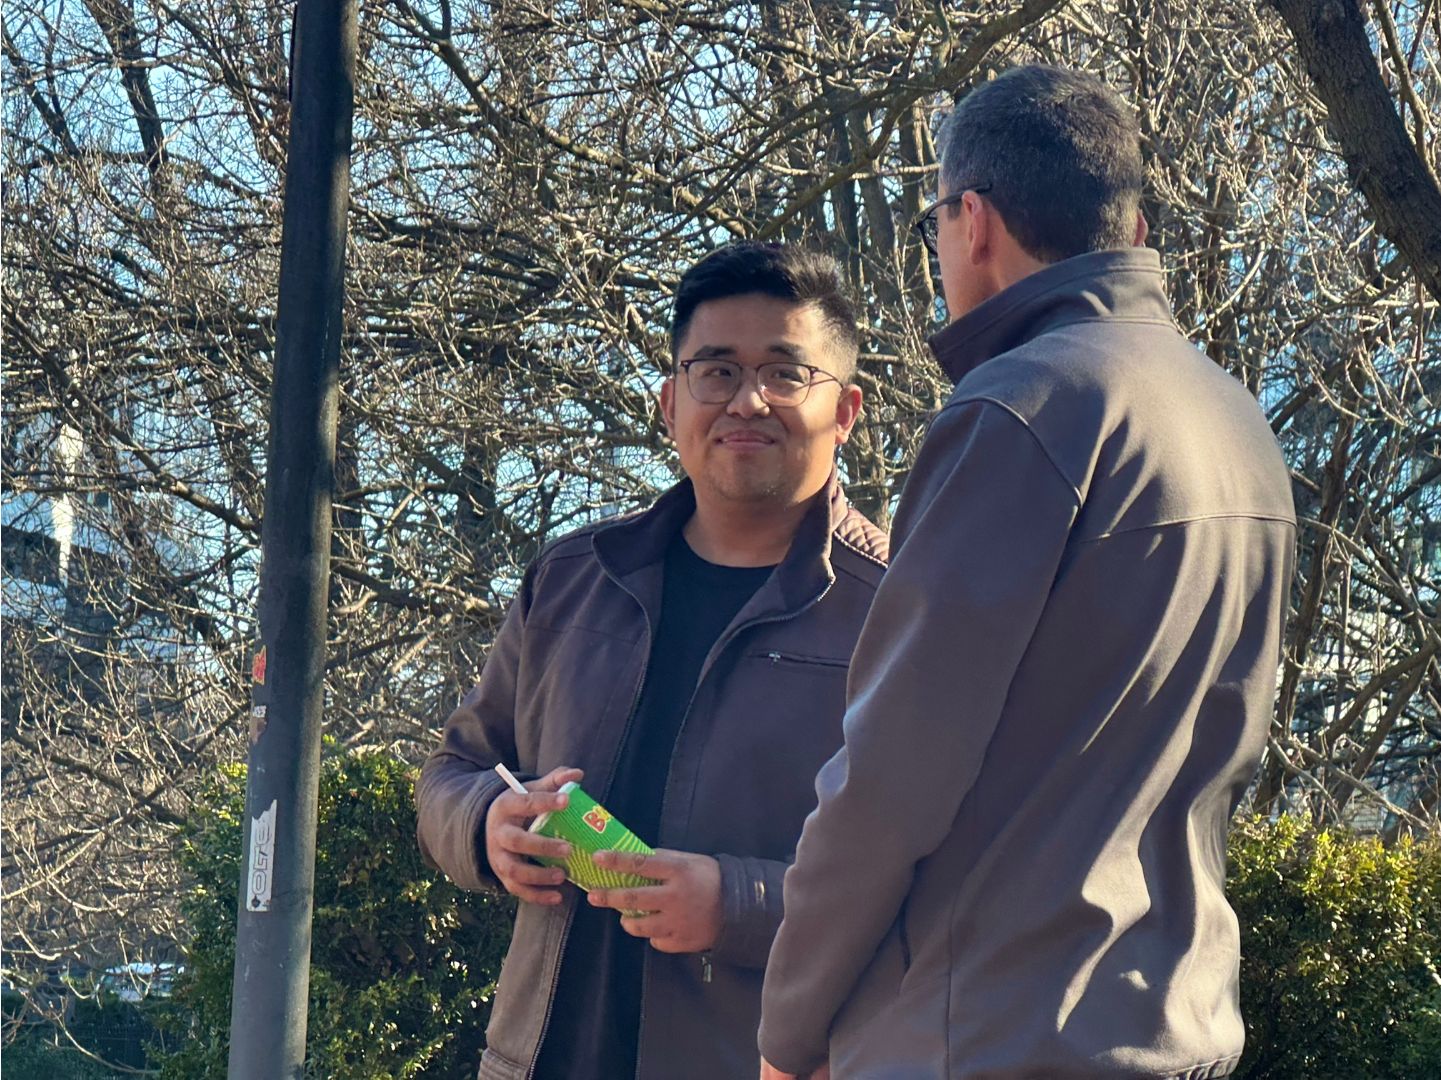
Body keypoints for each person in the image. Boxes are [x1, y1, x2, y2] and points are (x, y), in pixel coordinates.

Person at [759, 65, 1296, 1080]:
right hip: (1174, 1021)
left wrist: (790, 1028)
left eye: (936, 230)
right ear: (1128, 224)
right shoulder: (1234, 417)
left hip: (993, 1036)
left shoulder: (1021, 407)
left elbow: (893, 776)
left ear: (973, 220)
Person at [415, 241, 889, 1080]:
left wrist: (740, 903)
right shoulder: (572, 580)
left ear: (845, 410)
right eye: (715, 371)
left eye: (786, 374)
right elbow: (455, 769)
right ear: (669, 402)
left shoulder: (897, 610)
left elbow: (943, 881)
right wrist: (485, 823)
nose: (748, 399)